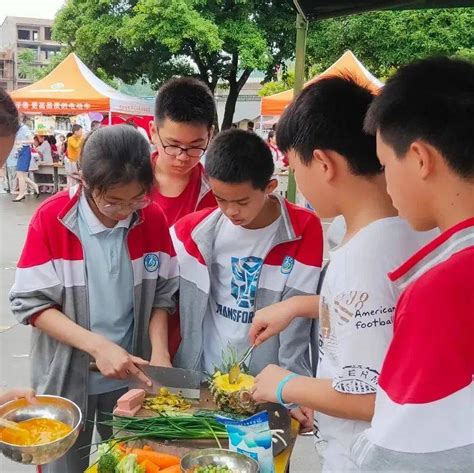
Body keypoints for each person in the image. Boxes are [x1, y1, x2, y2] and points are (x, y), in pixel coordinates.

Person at [248, 77, 435, 472]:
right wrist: (299, 306)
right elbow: (383, 311)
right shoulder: (411, 227)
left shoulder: (362, 259)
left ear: (324, 163)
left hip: (361, 457)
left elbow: (376, 399)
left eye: (296, 169)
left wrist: (284, 384)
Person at [10, 125, 179, 472]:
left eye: (136, 199)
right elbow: (32, 304)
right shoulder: (52, 219)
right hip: (69, 378)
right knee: (65, 465)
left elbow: (163, 293)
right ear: (85, 181)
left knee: (136, 463)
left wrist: (159, 350)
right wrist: (99, 347)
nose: (124, 211)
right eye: (112, 200)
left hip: (132, 375)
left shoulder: (152, 218)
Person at [349, 57, 474, 472]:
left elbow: (398, 457)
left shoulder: (444, 289)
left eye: (386, 166)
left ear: (420, 158)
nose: (386, 183)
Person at [172, 130, 323, 409]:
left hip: (269, 388)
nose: (230, 211)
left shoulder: (303, 230)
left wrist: (296, 393)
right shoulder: (192, 231)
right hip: (205, 380)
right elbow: (162, 296)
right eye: (220, 199)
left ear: (270, 186)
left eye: (241, 202)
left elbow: (298, 326)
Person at [149, 76, 217, 355]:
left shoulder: (217, 195)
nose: (182, 156)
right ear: (153, 132)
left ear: (211, 135)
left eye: (195, 147)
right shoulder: (128, 188)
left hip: (192, 331)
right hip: (134, 325)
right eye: (173, 144)